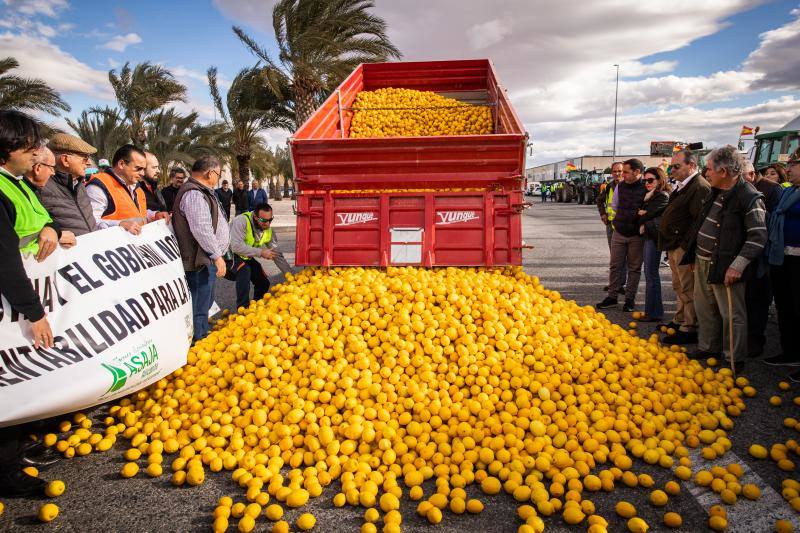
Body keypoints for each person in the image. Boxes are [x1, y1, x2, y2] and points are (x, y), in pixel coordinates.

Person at [0, 110, 62, 496]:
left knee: (28, 374)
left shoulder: (17, 184)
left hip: (24, 299)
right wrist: (34, 311)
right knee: (9, 384)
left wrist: (52, 228)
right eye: (30, 148)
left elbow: (43, 218)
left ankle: (20, 447)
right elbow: (5, 261)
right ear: (7, 150)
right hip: (13, 304)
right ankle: (7, 472)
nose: (36, 155)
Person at [681, 146, 767, 372]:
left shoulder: (748, 197)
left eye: (709, 169)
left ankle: (732, 358)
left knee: (731, 314)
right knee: (705, 307)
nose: (705, 173)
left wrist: (738, 266)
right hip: (703, 259)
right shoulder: (715, 191)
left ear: (725, 171)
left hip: (726, 264)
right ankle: (709, 347)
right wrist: (694, 253)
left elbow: (758, 237)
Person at [172, 155, 230, 342]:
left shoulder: (202, 191)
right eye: (218, 174)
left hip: (205, 259)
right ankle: (199, 340)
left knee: (204, 301)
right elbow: (202, 229)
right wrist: (217, 255)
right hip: (200, 260)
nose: (218, 178)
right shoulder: (194, 194)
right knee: (199, 303)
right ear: (210, 172)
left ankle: (202, 334)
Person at [658, 150, 710, 344]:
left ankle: (690, 326)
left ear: (692, 166)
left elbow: (699, 221)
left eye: (677, 166)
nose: (672, 170)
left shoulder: (699, 187)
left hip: (683, 247)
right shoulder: (682, 186)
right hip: (674, 244)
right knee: (678, 286)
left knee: (688, 288)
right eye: (671, 166)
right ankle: (679, 319)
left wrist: (686, 247)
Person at [763, 148, 800, 377]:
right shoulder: (789, 191)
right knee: (786, 305)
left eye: (793, 165)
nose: (788, 170)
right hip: (782, 256)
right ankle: (790, 351)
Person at [596, 158, 646, 312]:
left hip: (636, 235)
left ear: (637, 172)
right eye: (620, 171)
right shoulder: (619, 187)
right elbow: (615, 205)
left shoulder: (646, 187)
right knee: (615, 265)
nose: (622, 175)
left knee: (634, 268)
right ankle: (612, 297)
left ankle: (629, 299)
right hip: (619, 232)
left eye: (625, 172)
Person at [743, 160, 781, 356]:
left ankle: (756, 339)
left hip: (761, 254)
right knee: (746, 297)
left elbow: (773, 223)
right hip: (745, 251)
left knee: (758, 297)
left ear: (750, 174)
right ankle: (745, 337)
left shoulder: (771, 189)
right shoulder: (745, 188)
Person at [86, 144, 169, 235]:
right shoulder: (98, 187)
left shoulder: (137, 189)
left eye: (144, 169)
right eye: (138, 168)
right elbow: (91, 223)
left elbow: (137, 214)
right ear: (121, 164)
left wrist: (154, 215)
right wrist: (119, 225)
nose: (142, 173)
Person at [229, 202, 293, 308]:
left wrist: (291, 276)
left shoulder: (269, 231)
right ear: (255, 216)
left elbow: (277, 255)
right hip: (228, 256)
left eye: (270, 220)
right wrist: (261, 252)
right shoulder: (241, 221)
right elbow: (235, 246)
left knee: (263, 283)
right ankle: (242, 309)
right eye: (263, 220)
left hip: (245, 256)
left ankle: (255, 307)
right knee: (244, 270)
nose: (267, 224)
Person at [40, 133, 99, 236]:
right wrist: (57, 234)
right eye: (85, 158)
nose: (89, 163)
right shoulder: (41, 187)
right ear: (65, 160)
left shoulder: (79, 185)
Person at [637, 167, 670, 322]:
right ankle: (652, 311)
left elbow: (646, 215)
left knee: (651, 274)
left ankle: (654, 312)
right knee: (649, 273)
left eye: (650, 180)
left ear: (660, 179)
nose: (647, 183)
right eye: (645, 180)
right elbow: (641, 214)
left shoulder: (661, 196)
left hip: (653, 237)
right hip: (649, 236)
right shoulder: (649, 196)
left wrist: (644, 215)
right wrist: (643, 214)